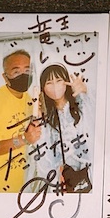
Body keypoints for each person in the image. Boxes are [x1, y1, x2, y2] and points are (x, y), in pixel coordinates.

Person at [0, 49, 42, 193]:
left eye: (27, 70)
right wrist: (24, 139)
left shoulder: (28, 99)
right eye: (16, 72)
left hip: (15, 186)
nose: (23, 75)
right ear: (5, 77)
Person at [35, 63, 94, 193]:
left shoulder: (80, 104)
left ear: (66, 82)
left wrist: (85, 91)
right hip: (62, 177)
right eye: (49, 83)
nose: (55, 86)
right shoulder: (45, 115)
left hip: (88, 171)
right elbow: (45, 150)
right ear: (43, 88)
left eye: (58, 80)